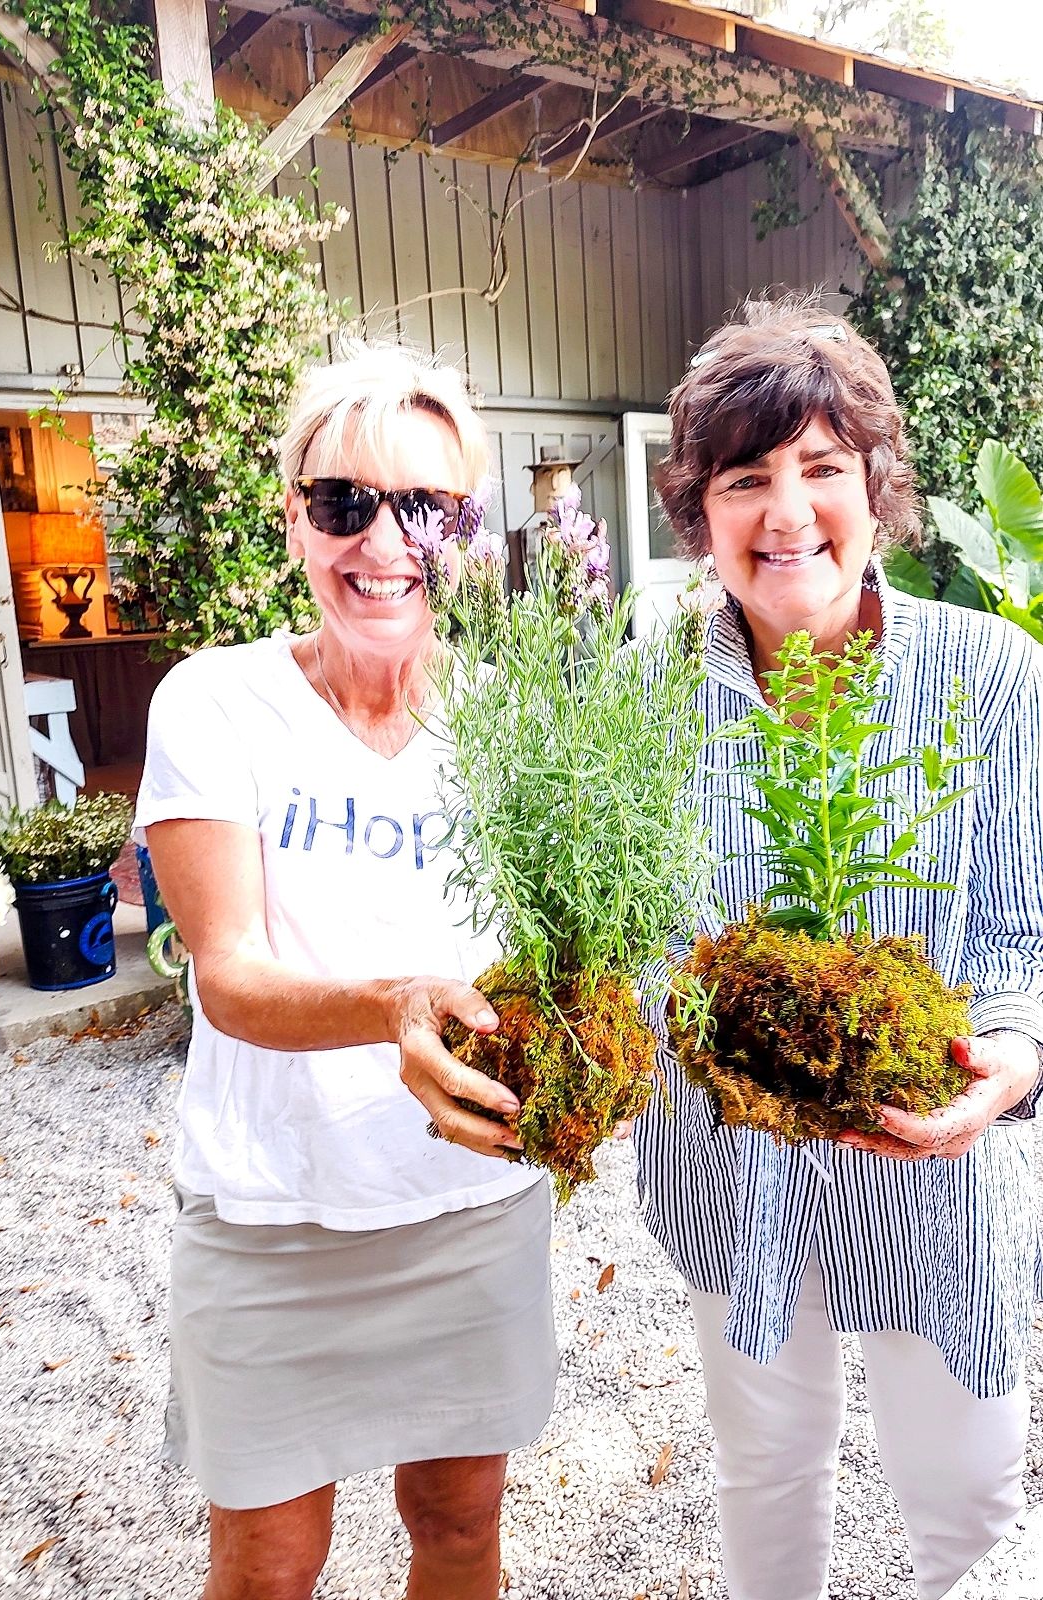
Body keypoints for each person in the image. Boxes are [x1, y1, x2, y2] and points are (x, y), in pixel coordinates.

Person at [635, 299, 1043, 1600]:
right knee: (768, 1474)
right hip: (734, 1167)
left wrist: (1015, 1061)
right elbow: (616, 940)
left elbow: (1031, 926)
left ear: (878, 489)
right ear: (700, 515)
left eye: (823, 467)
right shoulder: (641, 696)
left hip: (935, 1165)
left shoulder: (992, 678)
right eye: (747, 477)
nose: (789, 510)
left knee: (973, 1503)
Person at [136, 342, 558, 1600]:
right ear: (296, 519)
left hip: (467, 1201)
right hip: (273, 1214)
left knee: (462, 1527)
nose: (386, 539)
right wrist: (393, 1007)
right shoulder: (216, 704)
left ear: (467, 530)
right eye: (345, 502)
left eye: (427, 505)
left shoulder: (511, 717)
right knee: (269, 1562)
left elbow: (549, 956)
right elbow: (230, 976)